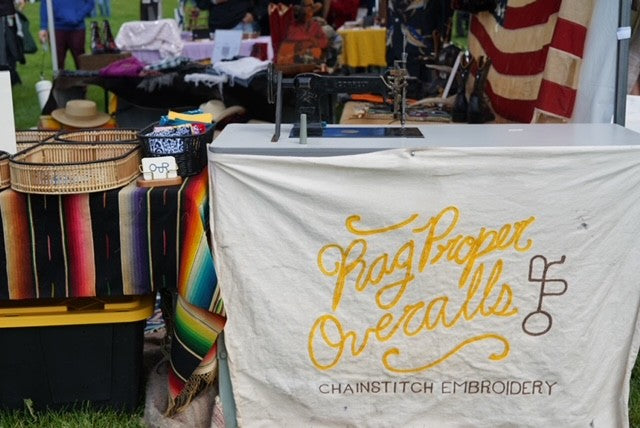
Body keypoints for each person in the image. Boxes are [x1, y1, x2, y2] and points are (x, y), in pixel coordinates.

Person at [38, 0, 94, 70]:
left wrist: (78, 17)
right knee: (58, 63)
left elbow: (90, 3)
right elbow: (45, 3)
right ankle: (60, 77)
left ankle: (83, 77)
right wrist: (43, 27)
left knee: (80, 62)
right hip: (57, 28)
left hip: (77, 28)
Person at [194, 0, 260, 34]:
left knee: (245, 56)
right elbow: (200, 4)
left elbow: (263, 2)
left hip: (241, 24)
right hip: (217, 26)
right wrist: (213, 0)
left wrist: (254, 14)